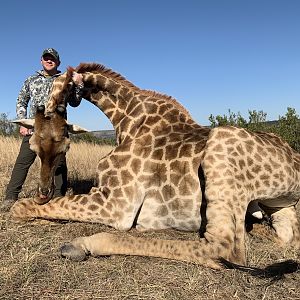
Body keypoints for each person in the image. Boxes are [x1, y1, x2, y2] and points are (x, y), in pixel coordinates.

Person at [1, 48, 84, 212]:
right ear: (41, 61)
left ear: (58, 62)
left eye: (52, 59)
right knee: (23, 162)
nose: (49, 60)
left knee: (59, 165)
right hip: (36, 129)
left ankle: (58, 199)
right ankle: (10, 197)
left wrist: (79, 85)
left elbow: (75, 102)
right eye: (46, 58)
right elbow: (21, 100)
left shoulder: (65, 80)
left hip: (57, 131)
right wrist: (23, 122)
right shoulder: (31, 80)